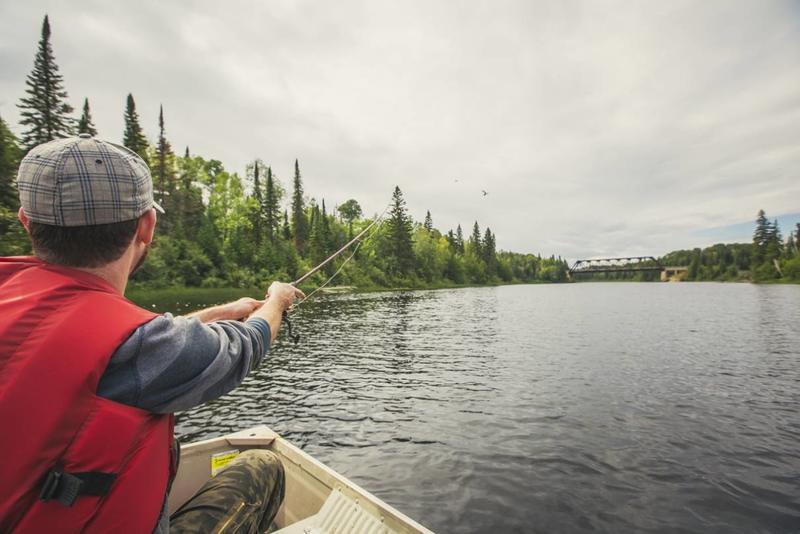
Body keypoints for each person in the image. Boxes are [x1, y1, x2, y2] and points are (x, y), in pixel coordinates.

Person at [0, 134, 304, 533]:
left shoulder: (16, 301)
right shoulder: (141, 347)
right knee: (261, 466)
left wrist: (222, 312)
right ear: (147, 226)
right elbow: (243, 346)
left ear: (26, 222)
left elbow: (120, 339)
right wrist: (277, 300)